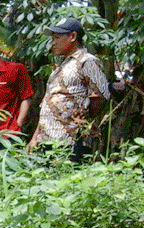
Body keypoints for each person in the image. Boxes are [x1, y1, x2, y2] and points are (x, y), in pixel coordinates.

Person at [28, 17, 110, 161]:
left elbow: (101, 94)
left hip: (71, 141)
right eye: (53, 38)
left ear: (72, 36)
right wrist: (35, 137)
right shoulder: (62, 65)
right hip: (48, 140)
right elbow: (48, 103)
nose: (53, 42)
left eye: (57, 37)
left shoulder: (87, 61)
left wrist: (82, 121)